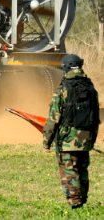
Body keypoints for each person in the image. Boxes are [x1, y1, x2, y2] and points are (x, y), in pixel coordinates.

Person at [43, 54, 100, 209]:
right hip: (85, 139)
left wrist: (46, 141)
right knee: (82, 170)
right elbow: (96, 118)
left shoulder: (62, 90)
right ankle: (83, 199)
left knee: (70, 171)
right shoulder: (91, 88)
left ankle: (75, 203)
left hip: (67, 140)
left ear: (66, 67)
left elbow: (53, 119)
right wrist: (92, 140)